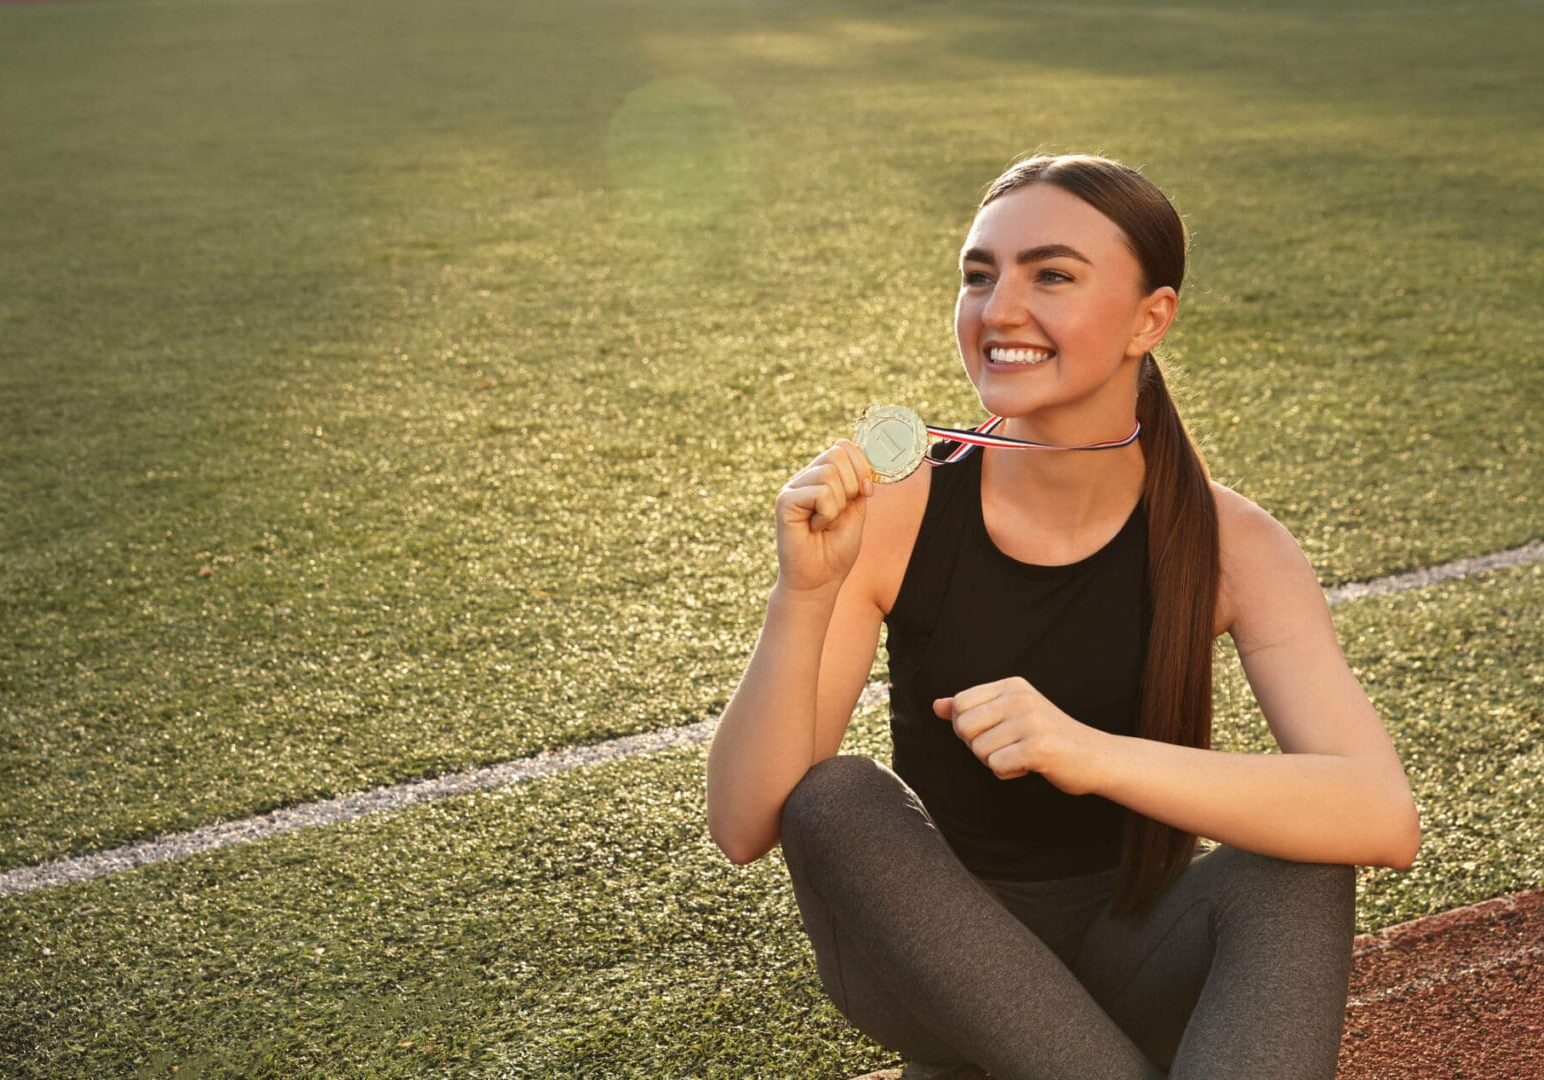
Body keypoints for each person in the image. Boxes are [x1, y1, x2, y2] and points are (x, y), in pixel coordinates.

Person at [704, 152, 1421, 1080]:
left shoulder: (1230, 541)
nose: (999, 308)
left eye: (1051, 275)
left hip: (1133, 951)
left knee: (1304, 859)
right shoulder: (899, 509)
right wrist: (801, 594)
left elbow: (1380, 815)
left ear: (1149, 319)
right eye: (979, 275)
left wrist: (1086, 752)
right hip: (939, 965)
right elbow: (743, 823)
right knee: (837, 798)